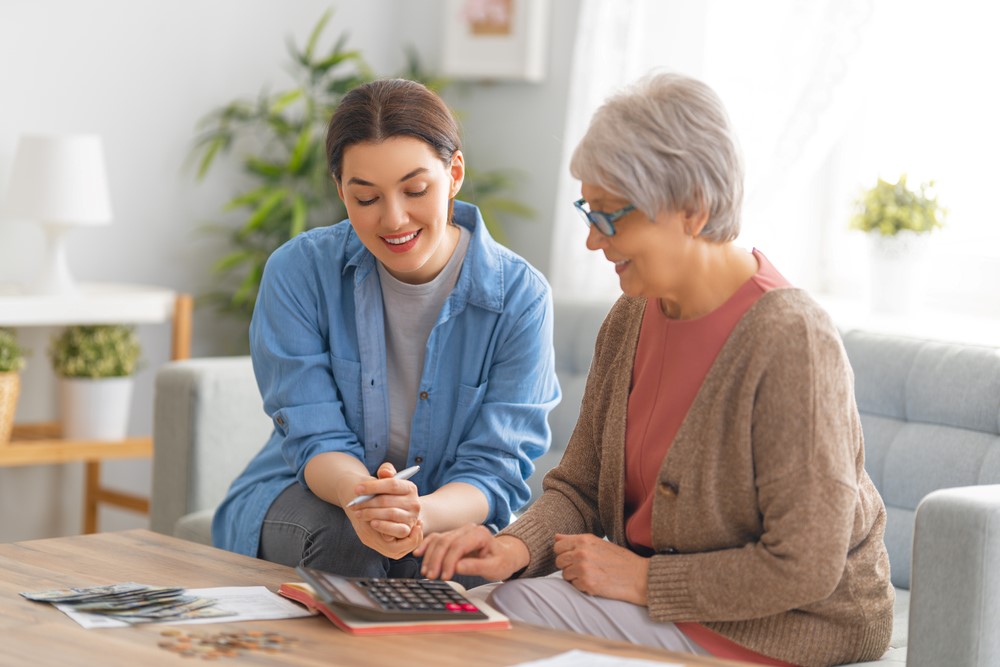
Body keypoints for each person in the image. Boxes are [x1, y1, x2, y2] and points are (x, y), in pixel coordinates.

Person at [416, 72, 894, 666]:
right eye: (588, 211)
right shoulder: (631, 316)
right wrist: (515, 545)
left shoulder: (790, 339)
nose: (592, 240)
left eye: (611, 217)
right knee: (476, 605)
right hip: (668, 607)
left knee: (477, 630)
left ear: (692, 209)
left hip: (785, 625)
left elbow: (807, 565)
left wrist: (644, 582)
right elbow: (581, 487)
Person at [212, 78, 561, 584]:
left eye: (415, 190)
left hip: (446, 508)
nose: (393, 218)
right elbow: (314, 435)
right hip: (312, 495)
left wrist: (420, 514)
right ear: (341, 191)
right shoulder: (299, 272)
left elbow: (496, 467)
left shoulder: (519, 297)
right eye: (366, 198)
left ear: (455, 173)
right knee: (346, 541)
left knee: (453, 567)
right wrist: (364, 499)